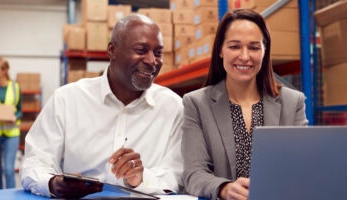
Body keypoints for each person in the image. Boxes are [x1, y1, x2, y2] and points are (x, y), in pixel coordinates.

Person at [20, 14, 183, 199]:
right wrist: (53, 184)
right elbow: (34, 162)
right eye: (141, 50)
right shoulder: (67, 99)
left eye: (158, 53)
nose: (152, 60)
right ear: (112, 50)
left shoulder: (173, 107)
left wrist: (142, 179)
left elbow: (177, 175)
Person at [181, 9, 308, 200]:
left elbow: (301, 166)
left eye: (254, 47)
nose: (245, 56)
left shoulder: (293, 102)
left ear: (265, 52)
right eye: (234, 46)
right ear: (220, 51)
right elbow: (193, 174)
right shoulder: (197, 103)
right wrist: (224, 188)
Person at [0, 57, 22, 189]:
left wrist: (15, 117)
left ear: (4, 71)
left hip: (11, 133)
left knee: (8, 170)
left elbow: (20, 110)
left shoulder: (15, 87)